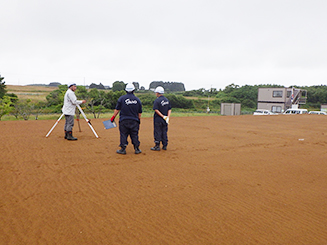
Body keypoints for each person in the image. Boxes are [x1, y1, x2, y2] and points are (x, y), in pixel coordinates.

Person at [110, 83, 142, 154]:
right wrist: (139, 119)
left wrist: (113, 117)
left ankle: (123, 149)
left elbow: (117, 109)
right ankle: (136, 149)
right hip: (134, 120)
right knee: (134, 134)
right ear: (133, 90)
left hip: (124, 120)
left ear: (126, 90)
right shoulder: (137, 100)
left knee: (123, 134)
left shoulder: (121, 99)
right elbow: (139, 112)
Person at [151, 86, 171, 151]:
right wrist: (167, 117)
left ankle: (157, 146)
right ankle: (165, 145)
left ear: (158, 93)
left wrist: (162, 116)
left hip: (158, 119)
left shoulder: (157, 100)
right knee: (164, 131)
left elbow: (156, 109)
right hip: (165, 119)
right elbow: (169, 109)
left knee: (157, 131)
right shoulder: (167, 100)